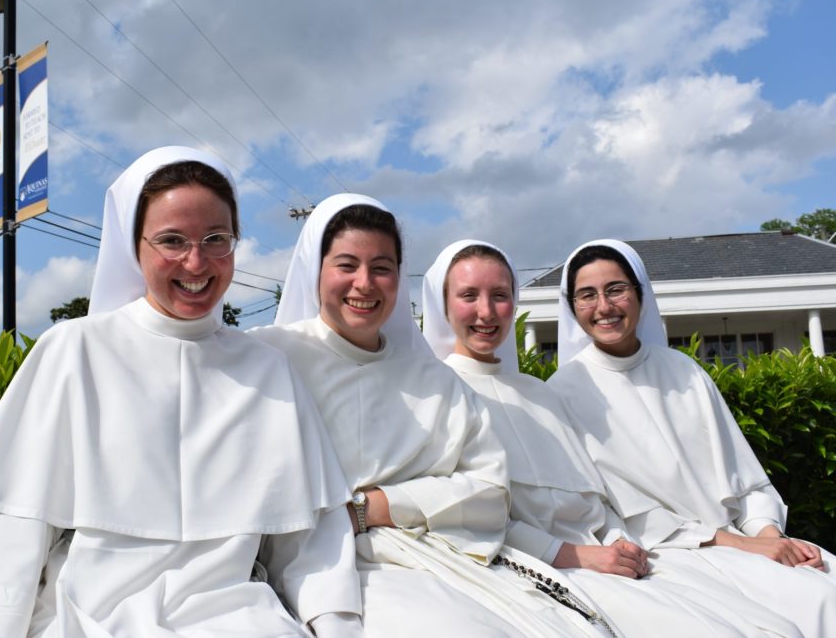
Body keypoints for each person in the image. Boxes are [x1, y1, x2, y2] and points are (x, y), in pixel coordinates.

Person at [0, 146, 362, 637]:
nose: (196, 262)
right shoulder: (74, 350)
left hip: (238, 613)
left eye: (216, 239)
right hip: (90, 612)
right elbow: (11, 520)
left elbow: (309, 542)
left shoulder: (268, 370)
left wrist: (336, 625)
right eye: (172, 240)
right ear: (133, 246)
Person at [250, 194, 618, 638]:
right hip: (330, 569)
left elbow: (490, 489)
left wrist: (373, 507)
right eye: (347, 265)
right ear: (317, 270)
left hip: (442, 557)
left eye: (381, 268)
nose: (364, 284)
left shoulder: (434, 379)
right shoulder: (269, 358)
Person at [422, 239, 800, 638]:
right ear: (442, 304)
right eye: (468, 296)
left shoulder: (539, 393)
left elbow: (598, 499)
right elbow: (466, 515)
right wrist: (579, 555)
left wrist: (618, 540)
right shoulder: (437, 394)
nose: (486, 311)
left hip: (614, 558)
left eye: (500, 295)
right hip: (548, 567)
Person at [549, 238, 836, 638]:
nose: (604, 306)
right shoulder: (562, 392)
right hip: (663, 554)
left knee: (824, 584)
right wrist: (739, 546)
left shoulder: (684, 370)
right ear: (572, 306)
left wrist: (770, 535)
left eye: (615, 289)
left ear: (640, 294)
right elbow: (605, 513)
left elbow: (745, 480)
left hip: (742, 542)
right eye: (587, 295)